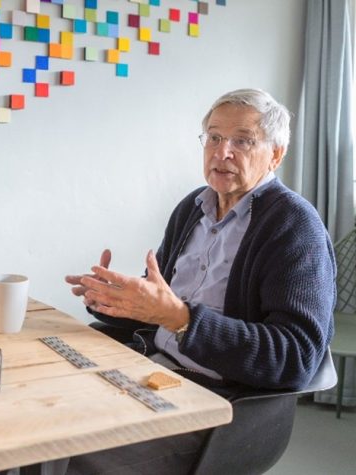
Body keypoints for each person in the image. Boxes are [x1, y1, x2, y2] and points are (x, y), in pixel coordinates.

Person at [63, 88, 336, 474]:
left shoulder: (295, 226)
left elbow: (295, 357)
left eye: (242, 141)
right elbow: (160, 305)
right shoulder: (193, 207)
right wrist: (113, 299)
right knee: (36, 423)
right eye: (214, 137)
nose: (222, 152)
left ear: (276, 154)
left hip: (219, 405)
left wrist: (180, 319)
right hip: (149, 368)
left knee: (65, 455)